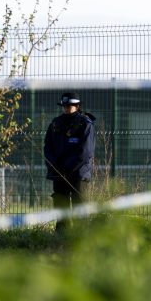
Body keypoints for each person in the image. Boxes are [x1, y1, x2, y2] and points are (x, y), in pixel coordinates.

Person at [44, 92, 96, 232]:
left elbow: (85, 152)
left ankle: (81, 237)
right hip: (58, 172)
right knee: (61, 205)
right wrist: (54, 166)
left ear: (77, 106)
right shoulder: (55, 123)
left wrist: (67, 168)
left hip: (78, 173)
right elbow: (48, 147)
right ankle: (61, 236)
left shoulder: (85, 124)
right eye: (64, 106)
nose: (66, 108)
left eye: (70, 106)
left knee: (80, 205)